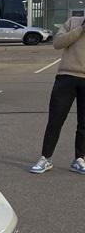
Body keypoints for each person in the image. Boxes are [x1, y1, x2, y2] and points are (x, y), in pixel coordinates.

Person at [31, 15, 85, 173]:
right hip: (66, 77)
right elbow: (57, 43)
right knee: (55, 119)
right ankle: (46, 158)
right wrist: (81, 29)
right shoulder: (73, 22)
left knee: (84, 123)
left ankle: (79, 159)